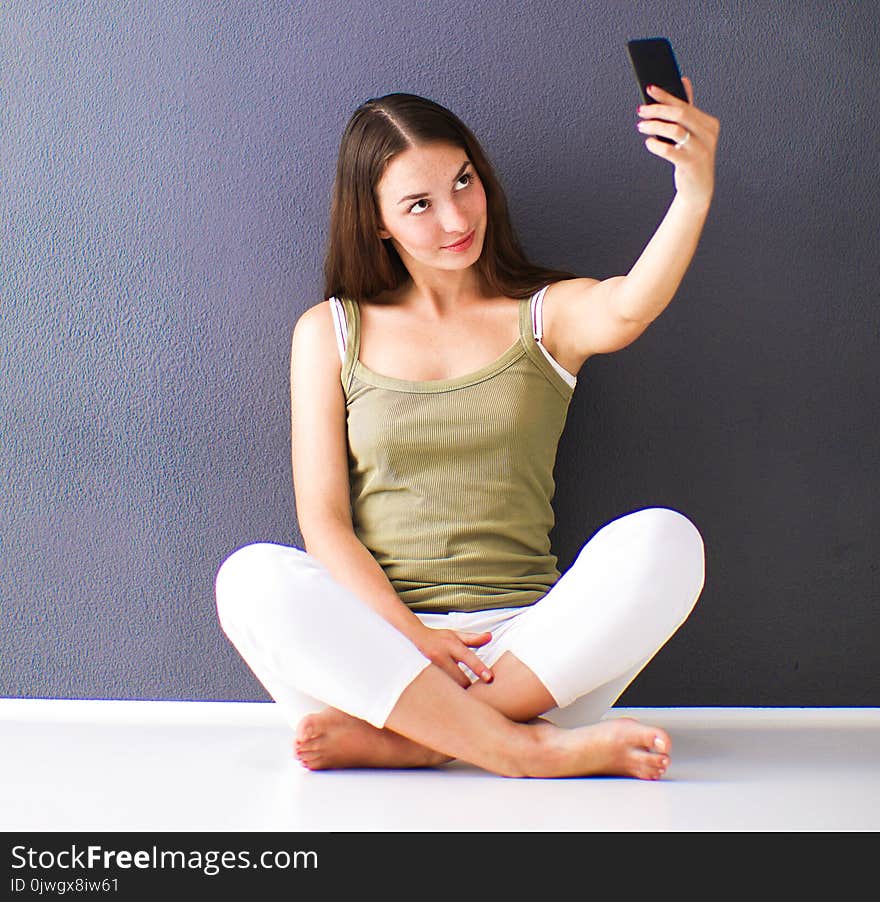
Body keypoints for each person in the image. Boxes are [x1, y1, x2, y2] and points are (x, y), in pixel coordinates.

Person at [215, 81, 720, 779]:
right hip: (382, 650)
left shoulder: (542, 314)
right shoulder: (328, 331)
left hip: (530, 653)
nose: (455, 217)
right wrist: (412, 637)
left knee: (668, 540)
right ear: (378, 221)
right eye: (420, 204)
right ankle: (519, 748)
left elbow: (630, 306)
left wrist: (691, 192)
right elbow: (325, 523)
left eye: (463, 183)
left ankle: (421, 742)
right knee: (249, 579)